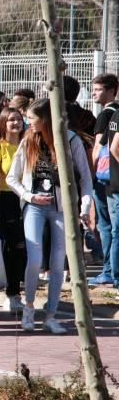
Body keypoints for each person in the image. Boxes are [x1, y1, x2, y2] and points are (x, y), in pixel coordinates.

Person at [7, 99, 92, 334]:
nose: (28, 122)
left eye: (32, 118)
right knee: (34, 259)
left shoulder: (71, 140)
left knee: (57, 262)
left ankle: (51, 315)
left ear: (45, 119)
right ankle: (29, 308)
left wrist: (84, 208)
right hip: (34, 206)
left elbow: (85, 179)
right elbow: (11, 178)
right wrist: (29, 196)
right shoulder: (28, 141)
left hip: (62, 207)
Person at [0, 107, 27, 312]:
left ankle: (17, 290)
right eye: (11, 120)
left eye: (18, 119)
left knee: (23, 249)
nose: (15, 123)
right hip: (6, 200)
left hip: (27, 200)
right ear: (3, 123)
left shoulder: (28, 145)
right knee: (10, 249)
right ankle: (11, 294)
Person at [91, 73, 119, 286]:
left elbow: (99, 148)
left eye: (99, 89)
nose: (94, 93)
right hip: (112, 176)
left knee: (106, 225)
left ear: (111, 90)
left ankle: (109, 269)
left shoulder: (106, 114)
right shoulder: (114, 113)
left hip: (105, 177)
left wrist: (92, 174)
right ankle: (110, 269)